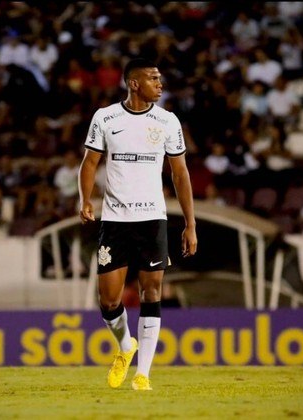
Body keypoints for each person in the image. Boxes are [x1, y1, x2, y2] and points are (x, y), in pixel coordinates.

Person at [78, 58, 197, 391]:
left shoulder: (168, 121)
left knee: (152, 291)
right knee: (110, 301)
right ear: (133, 83)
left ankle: (143, 374)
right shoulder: (105, 118)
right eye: (153, 79)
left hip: (152, 219)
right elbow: (89, 163)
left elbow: (180, 173)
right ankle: (125, 345)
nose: (160, 84)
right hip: (115, 220)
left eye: (160, 78)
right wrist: (86, 199)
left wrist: (190, 223)